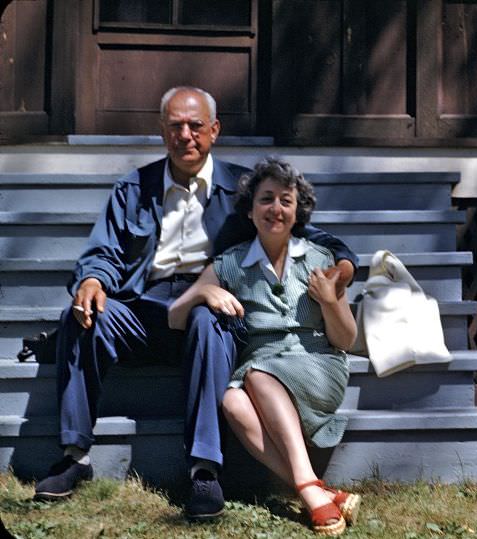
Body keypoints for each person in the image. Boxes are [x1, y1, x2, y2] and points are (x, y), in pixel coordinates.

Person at [33, 87, 358, 522]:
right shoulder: (134, 187)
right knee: (87, 313)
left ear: (214, 130)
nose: (185, 135)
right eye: (175, 126)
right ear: (162, 131)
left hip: (210, 302)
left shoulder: (243, 188)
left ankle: (204, 470)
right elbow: (104, 252)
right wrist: (92, 280)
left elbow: (300, 230)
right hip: (141, 306)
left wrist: (344, 265)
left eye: (196, 126)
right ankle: (75, 455)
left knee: (211, 318)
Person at [168, 158, 360, 536]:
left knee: (255, 376)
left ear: (297, 211)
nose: (276, 209)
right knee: (231, 400)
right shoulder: (231, 263)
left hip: (318, 364)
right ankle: (316, 488)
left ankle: (304, 489)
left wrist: (331, 301)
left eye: (286, 201)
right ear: (251, 210)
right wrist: (205, 291)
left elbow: (347, 339)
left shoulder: (321, 260)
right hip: (260, 372)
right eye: (266, 199)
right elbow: (175, 315)